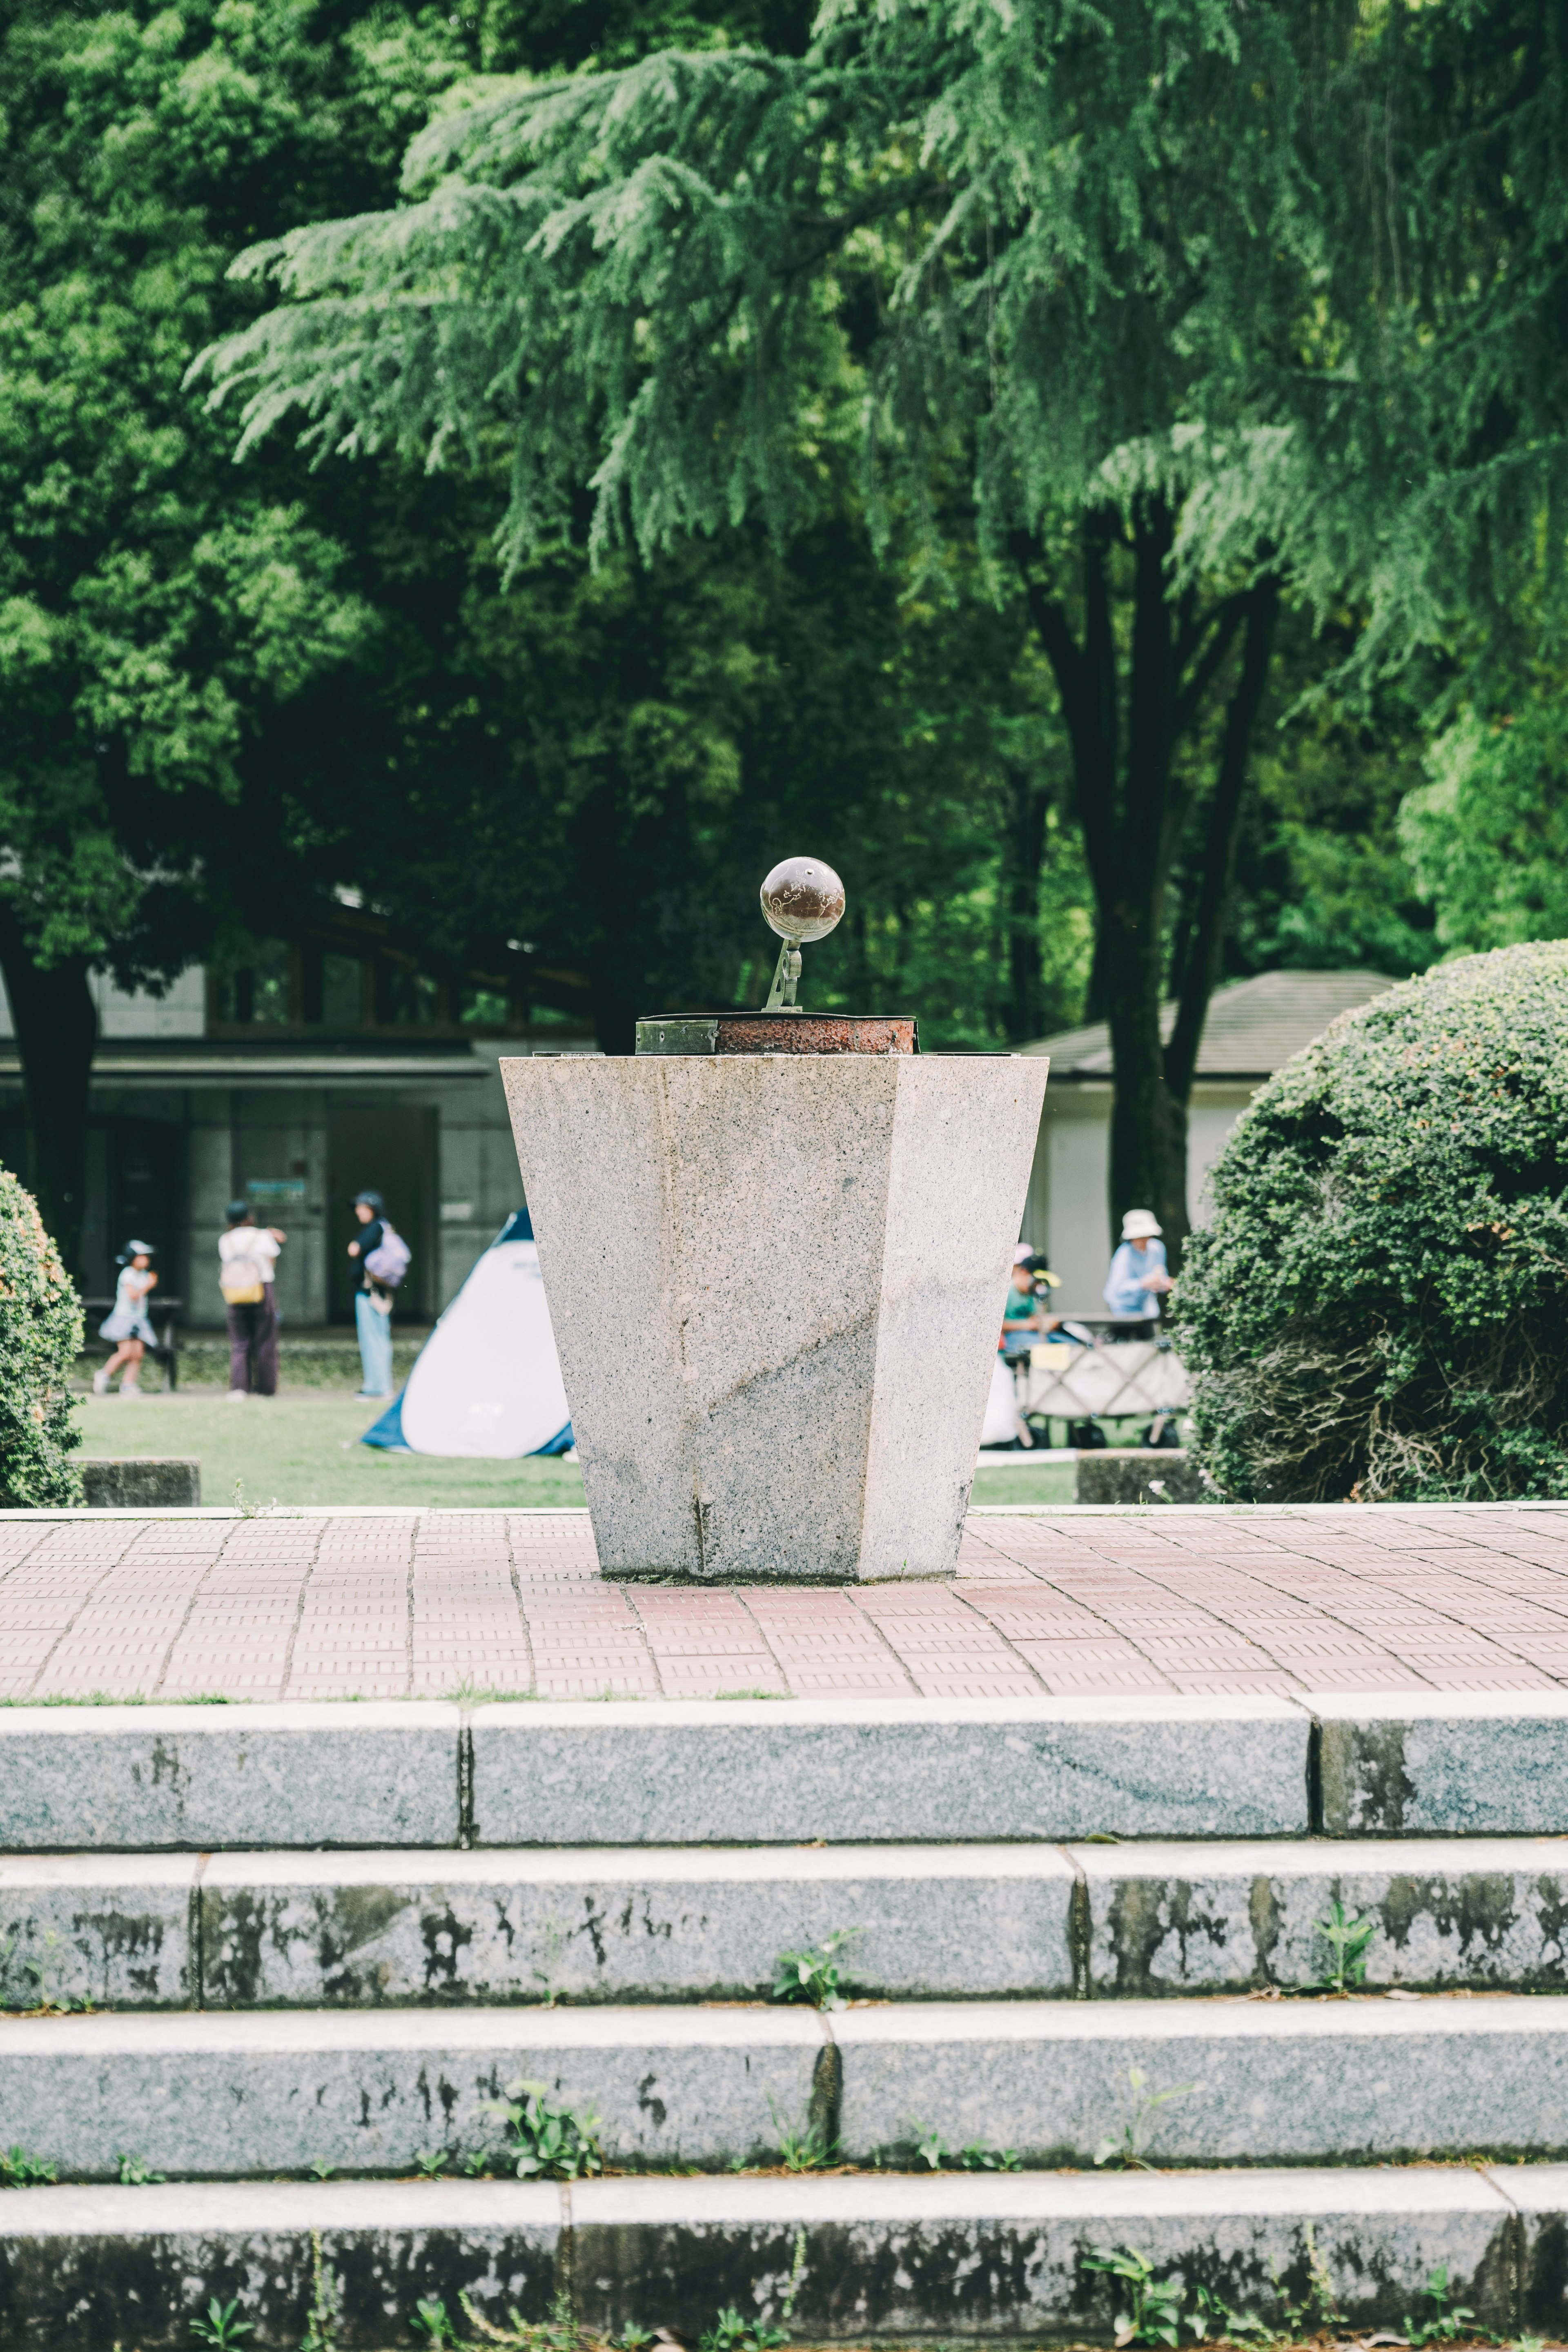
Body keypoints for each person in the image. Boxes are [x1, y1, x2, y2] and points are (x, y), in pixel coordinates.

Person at [219, 1200, 285, 1401]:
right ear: (249, 1217)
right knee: (265, 1339)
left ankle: (240, 1388)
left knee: (240, 1341)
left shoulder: (225, 1239)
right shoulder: (262, 1235)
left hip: (235, 1292)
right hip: (260, 1289)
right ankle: (266, 1389)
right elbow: (272, 1259)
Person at [94, 1241, 158, 1395]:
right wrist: (149, 1286)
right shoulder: (128, 1274)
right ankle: (104, 1375)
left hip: (139, 1319)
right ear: (133, 1259)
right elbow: (133, 1296)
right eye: (142, 1256)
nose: (146, 1260)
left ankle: (128, 1384)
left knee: (138, 1354)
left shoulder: (143, 1275)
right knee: (125, 1352)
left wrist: (148, 1282)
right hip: (124, 1319)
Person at [347, 1189, 394, 1399]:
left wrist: (354, 1245)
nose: (358, 1211)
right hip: (380, 1293)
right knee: (379, 1339)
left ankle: (377, 1387)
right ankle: (381, 1385)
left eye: (361, 1207)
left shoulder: (374, 1228)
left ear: (371, 1208)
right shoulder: (385, 1227)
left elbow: (355, 1249)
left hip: (370, 1293)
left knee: (372, 1340)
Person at [1104, 1209, 1175, 1319]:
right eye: (1140, 1237)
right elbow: (1118, 1289)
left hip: (1147, 1308)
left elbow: (1161, 1276)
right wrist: (1143, 1284)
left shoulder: (1158, 1248)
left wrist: (1165, 1284)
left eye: (1147, 1236)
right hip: (1123, 1310)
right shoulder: (1124, 1255)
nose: (1144, 1240)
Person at [1001, 1245, 1062, 1362]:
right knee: (1045, 1347)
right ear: (1024, 1273)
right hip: (1009, 1339)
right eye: (1037, 1281)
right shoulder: (1007, 1293)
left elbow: (1033, 1316)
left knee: (1068, 1342)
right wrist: (1027, 1325)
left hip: (1030, 1335)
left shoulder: (1030, 1294)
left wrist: (1046, 1322)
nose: (1038, 1286)